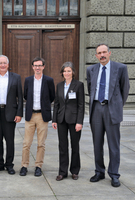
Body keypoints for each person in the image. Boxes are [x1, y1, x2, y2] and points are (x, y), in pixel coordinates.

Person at [87, 43, 130, 187]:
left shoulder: (120, 68)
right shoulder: (91, 69)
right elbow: (90, 88)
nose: (102, 55)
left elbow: (125, 89)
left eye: (104, 52)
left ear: (109, 53)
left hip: (112, 109)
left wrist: (117, 105)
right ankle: (99, 171)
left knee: (114, 145)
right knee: (97, 144)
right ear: (96, 55)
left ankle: (114, 174)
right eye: (99, 53)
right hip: (96, 109)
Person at [0, 55, 23, 175]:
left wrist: (19, 113)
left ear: (8, 64)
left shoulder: (16, 77)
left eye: (4, 63)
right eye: (0, 63)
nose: (2, 65)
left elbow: (20, 98)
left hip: (10, 113)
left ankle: (9, 165)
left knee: (10, 140)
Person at [19, 57, 55, 177]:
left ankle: (38, 166)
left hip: (42, 116)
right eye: (35, 65)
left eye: (40, 65)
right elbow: (25, 95)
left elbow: (52, 96)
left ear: (43, 67)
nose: (37, 68)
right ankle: (24, 165)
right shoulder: (28, 80)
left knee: (41, 143)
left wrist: (44, 106)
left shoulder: (49, 80)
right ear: (32, 67)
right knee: (26, 143)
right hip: (30, 115)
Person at [52, 62, 85, 181]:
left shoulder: (79, 85)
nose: (66, 73)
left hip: (74, 120)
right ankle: (62, 172)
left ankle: (75, 171)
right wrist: (54, 119)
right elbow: (56, 104)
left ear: (73, 72)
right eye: (65, 71)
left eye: (69, 71)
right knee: (62, 146)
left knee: (74, 146)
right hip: (61, 120)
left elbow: (81, 105)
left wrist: (79, 122)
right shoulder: (59, 85)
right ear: (62, 73)